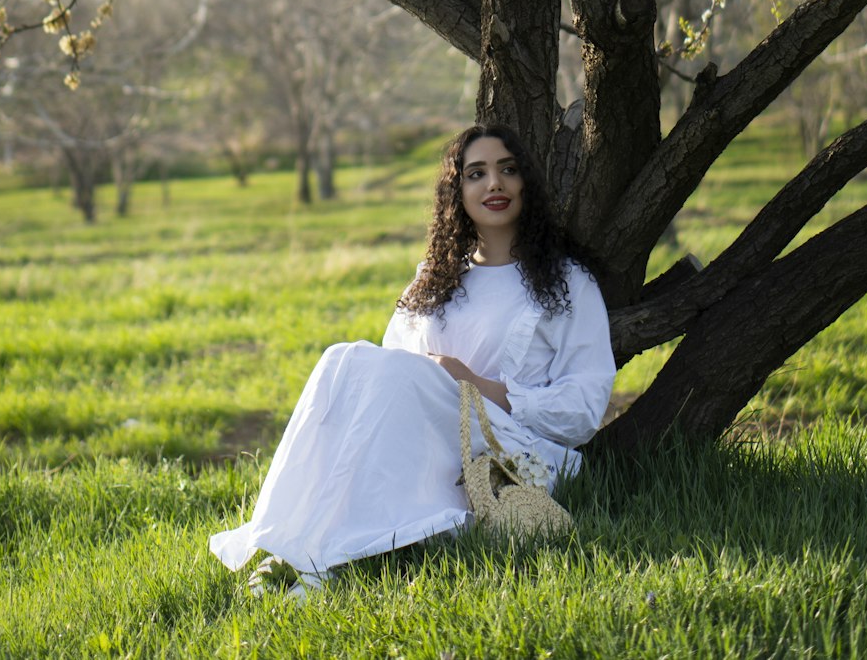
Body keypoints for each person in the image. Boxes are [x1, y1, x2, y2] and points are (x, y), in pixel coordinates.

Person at [209, 123, 616, 593]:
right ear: (457, 191)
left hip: (504, 450)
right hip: (424, 433)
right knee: (343, 360)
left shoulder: (568, 283)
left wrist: (470, 383)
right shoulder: (435, 276)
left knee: (386, 375)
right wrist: (432, 382)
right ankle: (292, 545)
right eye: (476, 173)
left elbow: (584, 409)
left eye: (508, 170)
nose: (494, 184)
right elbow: (385, 375)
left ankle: (318, 560)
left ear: (528, 183)